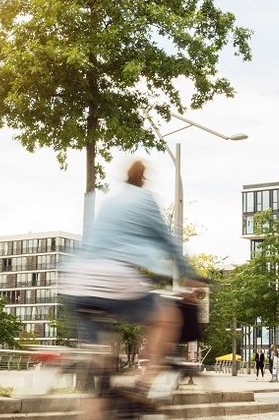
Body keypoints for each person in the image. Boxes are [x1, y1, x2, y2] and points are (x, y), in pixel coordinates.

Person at [62, 159, 205, 405]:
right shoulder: (144, 201)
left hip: (77, 281)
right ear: (143, 179)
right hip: (113, 277)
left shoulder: (110, 202)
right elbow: (168, 241)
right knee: (168, 317)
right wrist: (188, 275)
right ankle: (142, 383)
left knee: (102, 360)